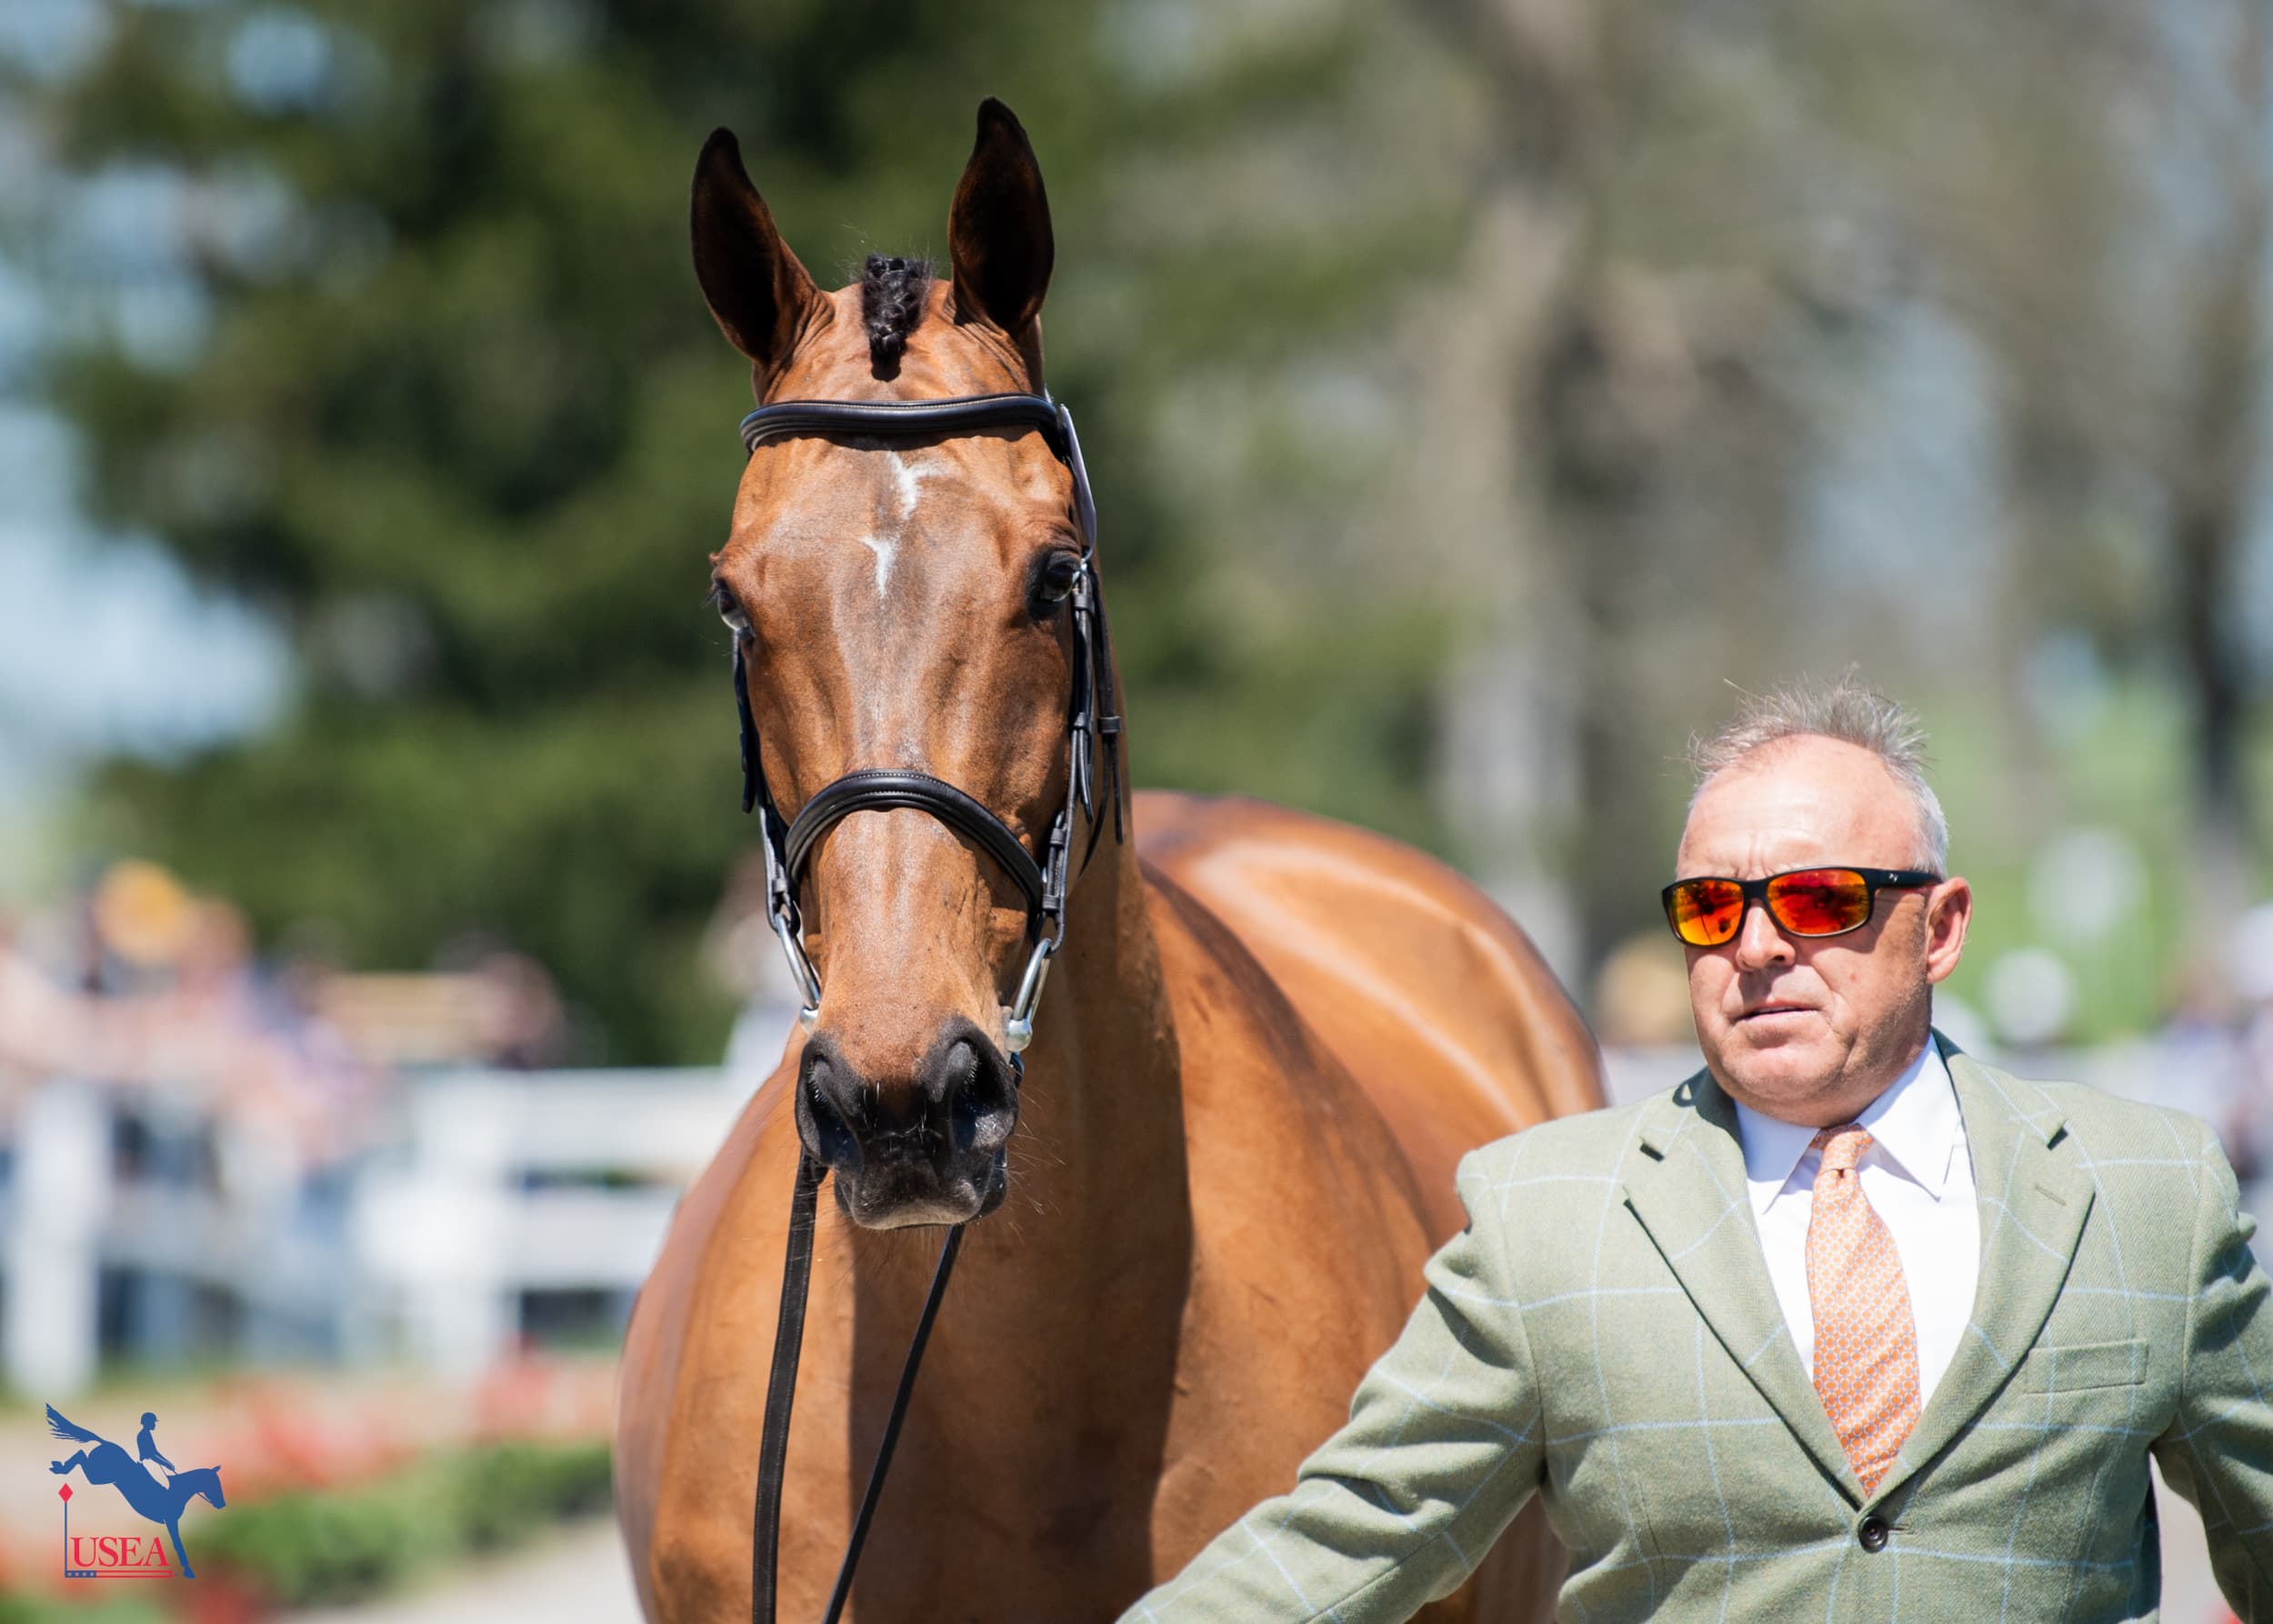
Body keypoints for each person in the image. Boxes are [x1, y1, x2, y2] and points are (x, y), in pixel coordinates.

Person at [1124, 677, 2273, 1623]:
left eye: (1820, 898)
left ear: (1942, 927)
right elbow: (1345, 1540)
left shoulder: (2147, 1194)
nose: (1759, 945)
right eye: (1712, 908)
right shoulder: (1549, 1218)